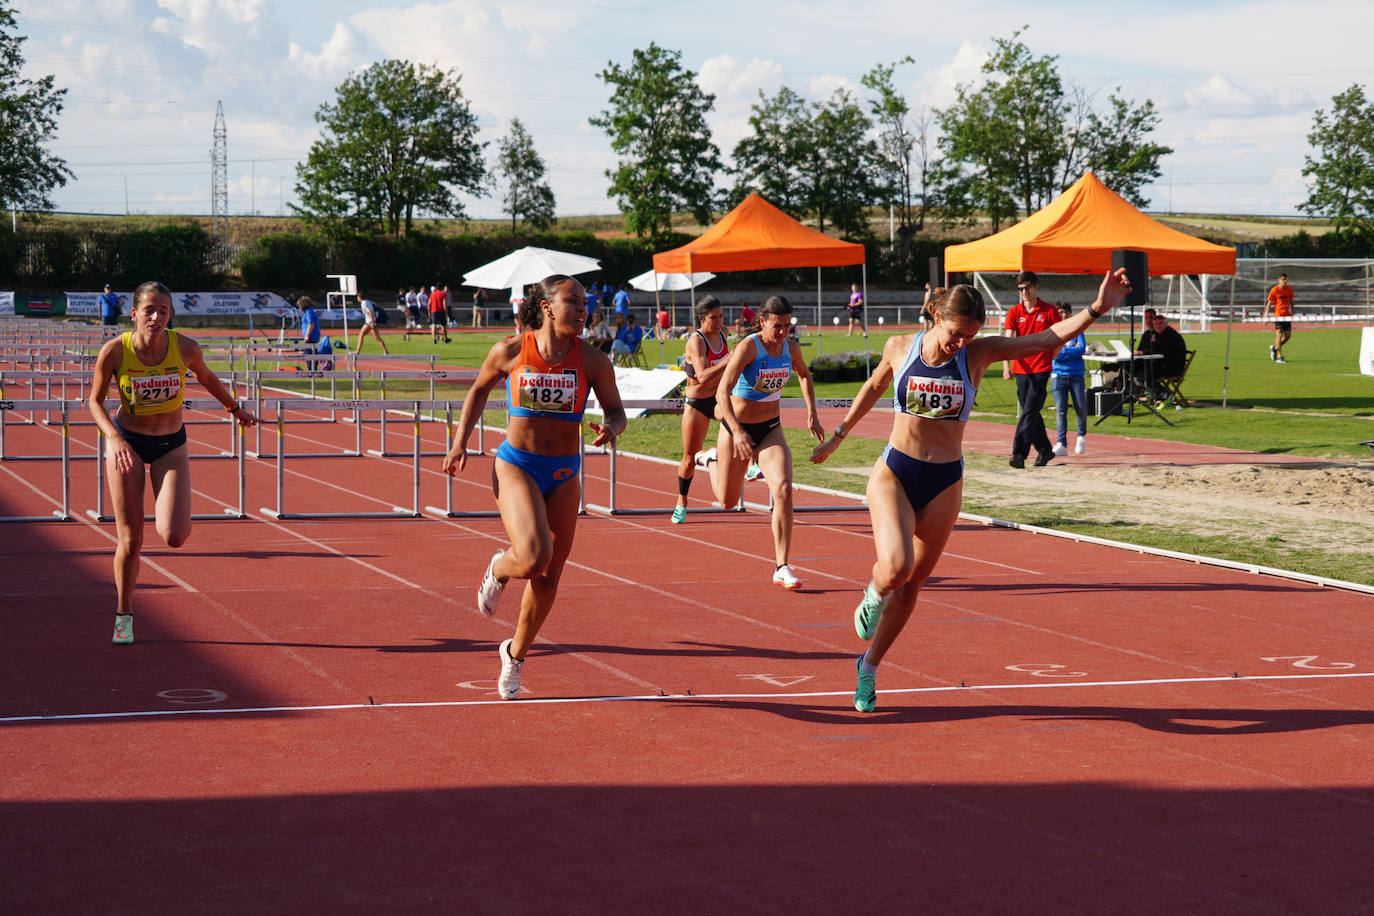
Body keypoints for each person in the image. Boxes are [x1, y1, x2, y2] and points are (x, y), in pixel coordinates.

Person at [810, 269, 1132, 711]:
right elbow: (874, 385)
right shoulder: (900, 347)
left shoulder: (977, 354)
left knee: (913, 585)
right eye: (957, 334)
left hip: (944, 481)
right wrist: (839, 435)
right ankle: (872, 591)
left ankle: (868, 667)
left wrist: (1097, 308)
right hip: (896, 472)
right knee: (896, 567)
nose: (961, 343)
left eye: (971, 336)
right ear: (937, 316)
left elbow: (1045, 339)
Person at [442, 275, 625, 699]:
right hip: (517, 466)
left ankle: (514, 654)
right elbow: (478, 390)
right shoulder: (510, 351)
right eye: (573, 301)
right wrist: (459, 443)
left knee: (548, 578)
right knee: (533, 558)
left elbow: (617, 411)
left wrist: (612, 428)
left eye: (585, 302)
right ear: (546, 307)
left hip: (564, 473)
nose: (583, 309)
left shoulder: (594, 360)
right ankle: (498, 568)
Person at [88, 281, 259, 645]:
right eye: (149, 310)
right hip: (128, 445)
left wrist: (234, 408)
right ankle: (124, 614)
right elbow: (94, 402)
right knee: (132, 539)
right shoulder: (115, 351)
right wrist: (114, 438)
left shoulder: (185, 348)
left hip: (171, 444)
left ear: (170, 315)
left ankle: (128, 604)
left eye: (163, 310)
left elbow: (207, 377)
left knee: (175, 535)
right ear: (134, 314)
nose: (156, 316)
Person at [710, 294, 825, 590]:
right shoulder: (749, 347)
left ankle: (782, 566)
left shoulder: (790, 347)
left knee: (784, 489)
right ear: (762, 322)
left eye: (788, 325)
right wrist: (735, 432)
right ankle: (711, 460)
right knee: (728, 501)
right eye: (778, 325)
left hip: (770, 430)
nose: (783, 331)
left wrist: (812, 414)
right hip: (737, 429)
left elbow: (803, 375)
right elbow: (722, 393)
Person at [672, 295, 731, 524]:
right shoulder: (696, 341)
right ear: (700, 319)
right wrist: (729, 360)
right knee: (688, 457)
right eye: (712, 318)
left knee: (743, 420)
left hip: (717, 400)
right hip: (696, 403)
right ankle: (681, 500)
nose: (718, 322)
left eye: (721, 316)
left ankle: (753, 463)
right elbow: (703, 376)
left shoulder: (724, 334)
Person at [1001, 271, 1062, 467]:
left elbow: (1060, 337)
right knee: (1031, 412)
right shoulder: (1014, 312)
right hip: (1021, 368)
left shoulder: (1049, 311)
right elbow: (1008, 340)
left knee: (1028, 410)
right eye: (1020, 289)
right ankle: (1045, 451)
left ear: (1036, 287)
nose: (1024, 292)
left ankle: (1019, 454)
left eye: (1027, 288)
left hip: (1041, 368)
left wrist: (1050, 356)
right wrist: (1006, 365)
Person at [1050, 304, 1087, 456]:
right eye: (1060, 312)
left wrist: (1063, 351)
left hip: (1076, 373)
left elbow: (1081, 348)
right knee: (1060, 410)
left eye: (1066, 312)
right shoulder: (1053, 331)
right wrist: (1069, 352)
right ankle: (1061, 442)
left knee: (1080, 407)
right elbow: (1053, 352)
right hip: (1058, 374)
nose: (1063, 315)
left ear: (1070, 314)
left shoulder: (1077, 330)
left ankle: (1081, 436)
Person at [1136, 312, 1187, 398]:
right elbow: (1153, 350)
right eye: (1155, 324)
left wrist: (1143, 353)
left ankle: (1164, 395)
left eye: (1160, 323)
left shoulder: (1171, 336)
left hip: (1172, 367)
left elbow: (1161, 353)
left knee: (1144, 374)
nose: (1158, 326)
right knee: (1138, 371)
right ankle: (1161, 394)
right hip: (1161, 364)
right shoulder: (1155, 334)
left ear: (1166, 324)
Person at [1263, 273, 1294, 363]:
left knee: (1287, 336)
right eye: (1283, 280)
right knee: (1279, 334)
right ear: (1279, 280)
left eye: (1286, 280)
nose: (1285, 281)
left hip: (1287, 316)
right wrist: (1266, 316)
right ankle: (1279, 356)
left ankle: (1274, 347)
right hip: (1278, 316)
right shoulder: (1274, 290)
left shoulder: (1289, 289)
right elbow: (1269, 303)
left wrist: (1293, 308)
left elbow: (1291, 300)